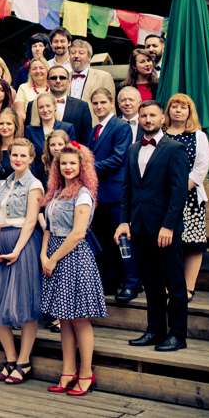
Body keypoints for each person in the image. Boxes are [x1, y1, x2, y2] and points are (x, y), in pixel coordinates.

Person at [40, 142, 107, 395]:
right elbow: (48, 228)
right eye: (63, 163)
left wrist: (54, 258)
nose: (68, 167)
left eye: (72, 163)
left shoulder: (83, 194)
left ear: (81, 166)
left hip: (74, 256)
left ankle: (86, 373)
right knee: (64, 319)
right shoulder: (56, 192)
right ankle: (68, 371)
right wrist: (44, 255)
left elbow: (78, 233)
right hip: (54, 255)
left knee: (79, 319)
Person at [0, 139, 44, 385]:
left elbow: (31, 221)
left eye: (22, 155)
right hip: (3, 239)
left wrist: (18, 250)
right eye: (14, 155)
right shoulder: (5, 183)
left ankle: (24, 361)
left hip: (24, 244)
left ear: (31, 158)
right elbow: (0, 218)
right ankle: (10, 358)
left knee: (25, 303)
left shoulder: (34, 185)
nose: (18, 159)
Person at [87, 88, 138, 303]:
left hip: (116, 193)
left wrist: (87, 169)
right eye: (95, 103)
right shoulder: (94, 130)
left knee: (122, 239)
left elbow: (119, 158)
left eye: (103, 102)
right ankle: (109, 282)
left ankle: (131, 282)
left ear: (111, 104)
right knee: (104, 241)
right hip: (98, 194)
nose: (99, 106)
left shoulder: (120, 127)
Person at [163, 94, 209, 303]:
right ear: (168, 111)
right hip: (163, 198)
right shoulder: (161, 135)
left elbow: (200, 169)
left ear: (190, 112)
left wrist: (179, 191)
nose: (178, 110)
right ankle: (170, 285)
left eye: (183, 107)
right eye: (174, 106)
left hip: (190, 198)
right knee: (168, 243)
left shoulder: (198, 136)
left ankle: (188, 287)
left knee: (193, 244)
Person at [28, 65, 92, 145]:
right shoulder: (33, 105)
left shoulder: (82, 106)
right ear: (47, 82)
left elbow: (87, 138)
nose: (58, 81)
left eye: (62, 77)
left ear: (69, 81)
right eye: (53, 78)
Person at [26, 92, 76, 180]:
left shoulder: (67, 128)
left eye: (48, 106)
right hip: (37, 178)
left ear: (55, 106)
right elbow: (29, 158)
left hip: (62, 177)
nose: (45, 110)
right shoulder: (30, 130)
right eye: (41, 107)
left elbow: (72, 154)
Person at [67, 40, 116, 120]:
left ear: (89, 58)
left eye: (81, 53)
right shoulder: (63, 77)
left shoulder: (104, 77)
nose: (76, 56)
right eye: (73, 53)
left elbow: (111, 108)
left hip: (93, 125)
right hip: (67, 125)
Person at [14, 57, 49, 121]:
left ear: (47, 70)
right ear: (30, 72)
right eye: (34, 69)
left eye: (41, 68)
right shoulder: (23, 88)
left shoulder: (54, 87)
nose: (38, 71)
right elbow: (20, 113)